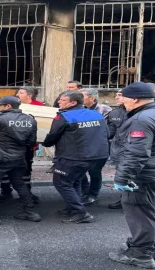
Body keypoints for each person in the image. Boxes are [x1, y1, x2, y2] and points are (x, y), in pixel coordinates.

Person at [108, 82, 155, 269]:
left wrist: (122, 178)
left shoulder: (141, 119)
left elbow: (136, 153)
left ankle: (140, 255)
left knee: (140, 213)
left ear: (135, 99)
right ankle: (153, 247)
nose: (121, 102)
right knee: (153, 211)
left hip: (143, 175)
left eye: (123, 97)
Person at [43, 90, 109, 224]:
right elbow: (106, 133)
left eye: (62, 100)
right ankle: (72, 208)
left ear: (73, 102)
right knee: (75, 181)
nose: (59, 102)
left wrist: (45, 143)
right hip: (95, 156)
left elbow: (52, 136)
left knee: (62, 182)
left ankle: (80, 212)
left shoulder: (65, 117)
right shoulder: (96, 114)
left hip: (73, 156)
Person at [0, 96, 41, 225]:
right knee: (20, 184)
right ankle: (30, 212)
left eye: (0, 105)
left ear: (8, 106)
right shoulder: (30, 120)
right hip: (19, 158)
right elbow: (31, 141)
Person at [0, 86, 42, 204]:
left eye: (21, 92)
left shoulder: (39, 107)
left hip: (26, 145)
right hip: (7, 144)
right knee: (5, 169)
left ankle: (27, 192)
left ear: (29, 96)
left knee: (26, 168)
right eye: (18, 92)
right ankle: (6, 191)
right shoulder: (12, 105)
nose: (18, 94)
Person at [79, 88, 112, 205]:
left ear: (92, 98)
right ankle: (84, 189)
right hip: (82, 145)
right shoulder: (79, 109)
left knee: (94, 170)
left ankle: (93, 194)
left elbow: (108, 130)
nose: (79, 99)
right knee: (79, 169)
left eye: (82, 96)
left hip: (99, 146)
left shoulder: (105, 110)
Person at [107, 90, 129, 209]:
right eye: (116, 95)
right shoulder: (114, 113)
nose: (116, 97)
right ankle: (124, 199)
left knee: (133, 175)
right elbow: (110, 131)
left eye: (119, 95)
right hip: (119, 150)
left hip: (134, 150)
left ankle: (131, 202)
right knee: (123, 175)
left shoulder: (141, 112)